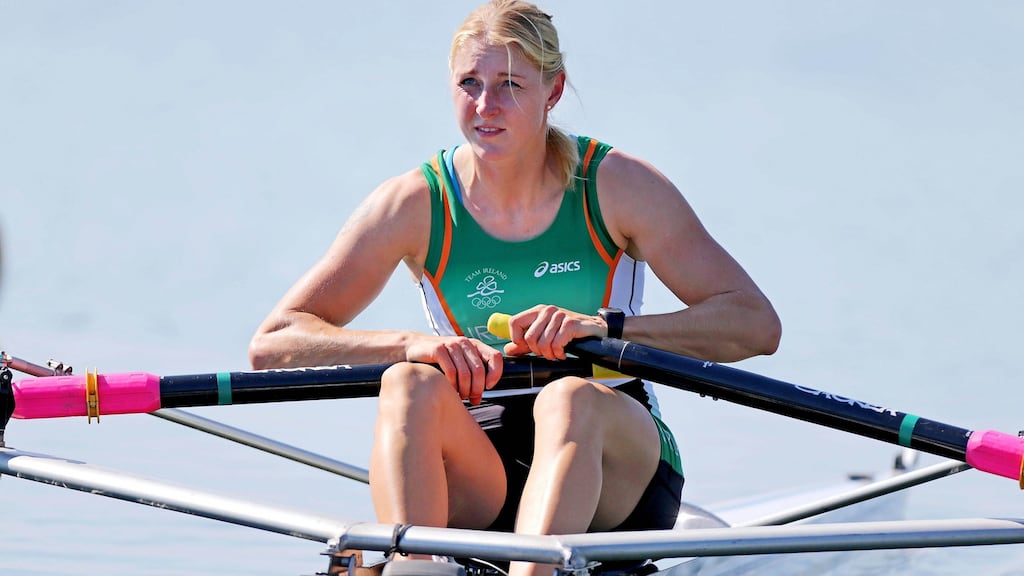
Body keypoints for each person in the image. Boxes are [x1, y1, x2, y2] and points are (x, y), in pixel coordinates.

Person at [249, 1, 781, 575]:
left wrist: (603, 329)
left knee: (567, 397)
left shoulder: (620, 187)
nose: (485, 107)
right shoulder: (413, 204)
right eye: (469, 84)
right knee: (408, 382)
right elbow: (274, 342)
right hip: (484, 461)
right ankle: (418, 566)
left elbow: (754, 323)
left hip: (615, 466)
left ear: (552, 92)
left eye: (509, 85)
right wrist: (410, 346)